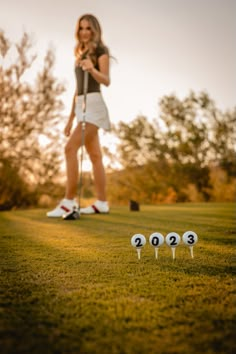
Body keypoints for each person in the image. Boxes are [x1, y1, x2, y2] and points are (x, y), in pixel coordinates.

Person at [47, 14, 111, 217]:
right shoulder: (80, 54)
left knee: (70, 148)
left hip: (94, 105)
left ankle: (68, 202)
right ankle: (101, 203)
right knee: (95, 156)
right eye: (81, 28)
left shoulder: (101, 52)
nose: (84, 32)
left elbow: (106, 80)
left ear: (95, 30)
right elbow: (77, 90)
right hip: (81, 105)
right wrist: (70, 118)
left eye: (88, 28)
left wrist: (92, 68)